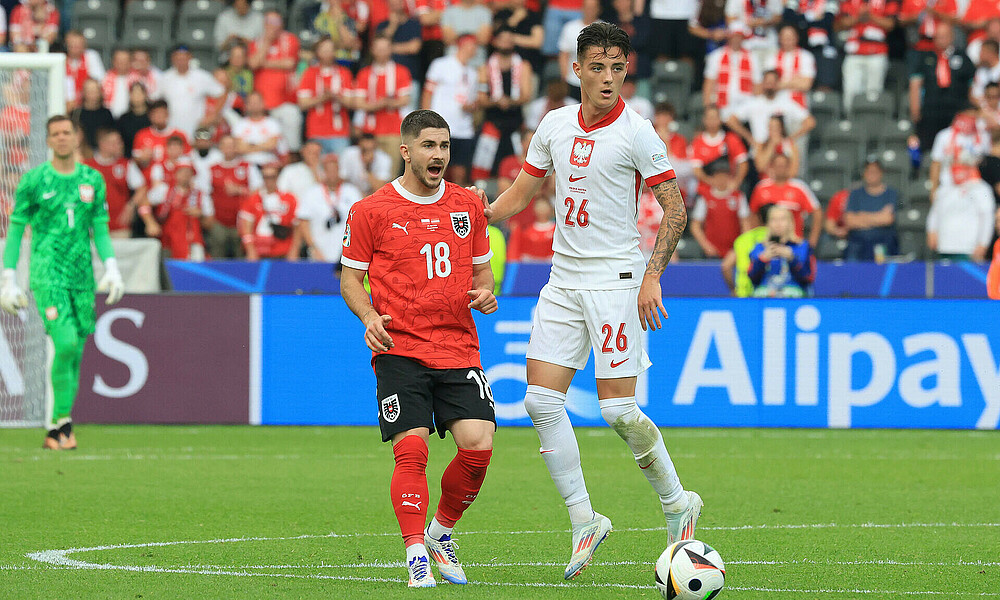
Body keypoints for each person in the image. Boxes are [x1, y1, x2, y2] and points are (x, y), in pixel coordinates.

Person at [481, 22, 701, 579]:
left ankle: (678, 502)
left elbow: (675, 209)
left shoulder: (637, 132)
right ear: (575, 70)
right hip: (562, 278)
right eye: (596, 67)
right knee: (539, 401)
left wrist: (652, 277)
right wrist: (479, 215)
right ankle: (585, 520)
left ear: (626, 70)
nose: (607, 77)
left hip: (616, 279)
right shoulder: (553, 124)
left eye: (616, 67)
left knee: (618, 410)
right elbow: (525, 189)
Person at [340, 110, 497, 588]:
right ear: (406, 151)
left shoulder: (467, 205)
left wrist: (486, 293)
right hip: (399, 348)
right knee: (412, 451)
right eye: (429, 146)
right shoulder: (371, 210)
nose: (439, 156)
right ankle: (415, 555)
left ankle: (440, 533)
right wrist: (369, 316)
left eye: (445, 146)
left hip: (458, 347)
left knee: (479, 445)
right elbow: (350, 278)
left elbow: (483, 274)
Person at [0, 115, 125, 450]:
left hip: (82, 276)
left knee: (77, 351)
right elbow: (15, 229)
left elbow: (99, 227)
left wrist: (111, 266)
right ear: (48, 140)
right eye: (55, 133)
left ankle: (60, 426)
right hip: (47, 273)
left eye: (66, 132)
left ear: (76, 136)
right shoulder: (34, 180)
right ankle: (60, 421)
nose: (61, 138)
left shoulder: (92, 179)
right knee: (66, 343)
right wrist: (8, 276)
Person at [472, 27, 534, 181]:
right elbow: (481, 98)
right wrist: (497, 101)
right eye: (503, 39)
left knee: (516, 167)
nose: (506, 42)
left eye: (509, 39)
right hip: (492, 124)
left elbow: (526, 95)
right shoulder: (485, 67)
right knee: (485, 168)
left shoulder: (524, 65)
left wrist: (510, 101)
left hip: (515, 125)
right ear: (495, 41)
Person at [422, 35, 479, 186]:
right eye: (472, 45)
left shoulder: (473, 73)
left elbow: (473, 101)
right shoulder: (441, 64)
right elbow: (428, 92)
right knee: (436, 168)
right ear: (462, 44)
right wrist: (425, 121)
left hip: (464, 128)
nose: (475, 49)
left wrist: (472, 107)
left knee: (460, 172)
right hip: (441, 126)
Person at [353, 34, 413, 176]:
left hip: (394, 130)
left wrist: (378, 104)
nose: (382, 52)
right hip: (370, 131)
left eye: (385, 48)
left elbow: (405, 100)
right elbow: (359, 103)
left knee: (391, 173)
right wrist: (383, 103)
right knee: (370, 172)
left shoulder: (401, 71)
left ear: (390, 49)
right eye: (378, 48)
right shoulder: (364, 73)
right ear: (372, 50)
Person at [927, 153, 996, 261]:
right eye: (954, 165)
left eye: (961, 165)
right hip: (944, 245)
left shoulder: (981, 188)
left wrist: (983, 243)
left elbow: (987, 218)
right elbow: (935, 212)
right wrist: (932, 230)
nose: (957, 170)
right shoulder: (944, 188)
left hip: (968, 247)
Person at [203, 135, 263, 258]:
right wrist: (209, 215)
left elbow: (259, 191)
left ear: (236, 147)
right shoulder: (212, 168)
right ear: (220, 148)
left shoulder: (247, 166)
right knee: (217, 255)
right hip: (219, 221)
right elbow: (205, 193)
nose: (228, 149)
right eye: (225, 146)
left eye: (231, 145)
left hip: (242, 221)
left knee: (240, 256)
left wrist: (240, 190)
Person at [296, 152, 362, 263]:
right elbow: (303, 223)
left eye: (334, 170)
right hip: (318, 252)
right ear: (323, 172)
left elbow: (360, 222)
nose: (332, 173)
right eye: (328, 170)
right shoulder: (312, 192)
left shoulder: (352, 192)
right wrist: (312, 248)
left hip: (345, 253)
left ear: (339, 170)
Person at [837, 0, 898, 114]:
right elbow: (841, 24)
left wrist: (870, 16)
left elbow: (890, 24)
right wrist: (859, 16)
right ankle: (851, 121)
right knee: (850, 92)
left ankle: (872, 121)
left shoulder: (886, 2)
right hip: (854, 52)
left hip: (877, 51)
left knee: (874, 92)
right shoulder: (850, 2)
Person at [749, 153, 823, 247]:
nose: (780, 169)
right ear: (771, 167)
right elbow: (753, 215)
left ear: (789, 167)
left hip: (794, 242)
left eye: (783, 165)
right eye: (778, 165)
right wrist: (756, 238)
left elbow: (817, 212)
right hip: (767, 243)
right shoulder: (761, 187)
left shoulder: (799, 187)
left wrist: (812, 241)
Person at [296, 36, 354, 156]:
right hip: (315, 130)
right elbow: (302, 103)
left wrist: (334, 96)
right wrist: (323, 97)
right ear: (317, 52)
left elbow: (351, 103)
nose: (327, 53)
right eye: (324, 50)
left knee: (340, 170)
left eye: (330, 49)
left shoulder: (344, 73)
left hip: (339, 132)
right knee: (317, 170)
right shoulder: (310, 73)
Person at [85, 128, 146, 238]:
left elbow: (142, 188)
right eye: (115, 143)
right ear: (102, 144)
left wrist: (131, 206)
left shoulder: (126, 164)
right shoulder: (87, 166)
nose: (120, 145)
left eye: (120, 142)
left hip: (119, 226)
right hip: (93, 226)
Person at [146, 158, 208, 260]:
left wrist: (201, 214)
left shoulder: (200, 194)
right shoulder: (164, 190)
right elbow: (144, 205)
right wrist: (150, 223)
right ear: (175, 174)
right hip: (167, 242)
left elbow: (209, 223)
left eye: (188, 172)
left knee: (196, 267)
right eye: (181, 171)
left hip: (193, 241)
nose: (185, 175)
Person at [238, 162, 300, 260]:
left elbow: (297, 227)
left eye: (272, 177)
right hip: (259, 251)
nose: (269, 181)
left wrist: (294, 249)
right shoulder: (253, 199)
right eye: (266, 177)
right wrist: (250, 250)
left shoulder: (289, 199)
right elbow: (246, 228)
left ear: (277, 177)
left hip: (282, 251)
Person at [161, 45, 226, 140]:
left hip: (196, 129)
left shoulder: (201, 76)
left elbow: (222, 93)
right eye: (178, 58)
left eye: (184, 58)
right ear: (172, 59)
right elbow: (155, 99)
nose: (181, 61)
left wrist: (213, 115)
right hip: (171, 129)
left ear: (190, 57)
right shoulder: (165, 78)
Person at [748, 204, 814, 296]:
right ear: (767, 223)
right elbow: (752, 278)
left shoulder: (802, 246)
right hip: (765, 295)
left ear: (791, 223)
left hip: (794, 296)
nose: (778, 224)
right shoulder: (759, 248)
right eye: (773, 219)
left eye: (782, 219)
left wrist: (792, 259)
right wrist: (763, 259)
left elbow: (808, 278)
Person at [689, 162, 752, 257]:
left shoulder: (738, 197)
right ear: (713, 178)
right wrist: (706, 246)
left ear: (729, 177)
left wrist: (741, 246)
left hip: (734, 251)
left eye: (724, 176)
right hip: (711, 251)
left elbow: (746, 224)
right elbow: (695, 226)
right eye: (718, 176)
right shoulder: (705, 198)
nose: (721, 180)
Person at [843, 158, 899, 261]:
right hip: (858, 242)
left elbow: (887, 219)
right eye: (868, 171)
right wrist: (877, 217)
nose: (871, 174)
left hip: (882, 241)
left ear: (881, 173)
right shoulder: (855, 194)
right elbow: (849, 221)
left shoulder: (891, 193)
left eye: (874, 171)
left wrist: (861, 216)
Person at [507, 197, 556, 262]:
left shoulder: (556, 229)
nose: (541, 209)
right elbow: (516, 250)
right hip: (529, 265)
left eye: (544, 206)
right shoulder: (526, 229)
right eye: (539, 206)